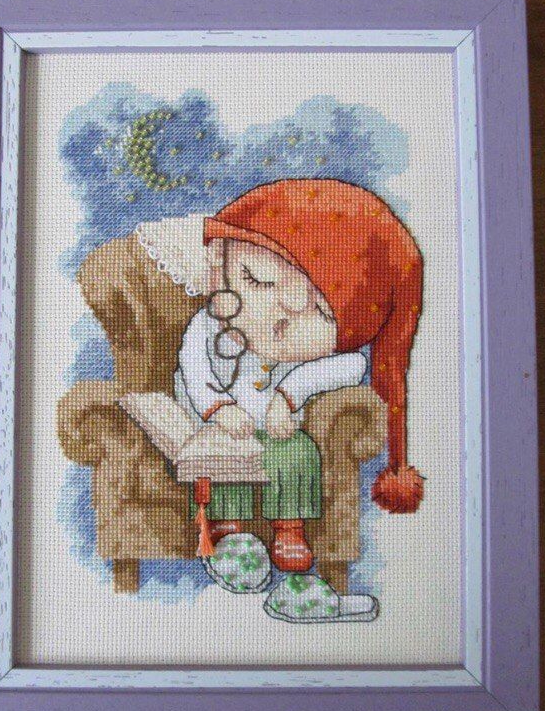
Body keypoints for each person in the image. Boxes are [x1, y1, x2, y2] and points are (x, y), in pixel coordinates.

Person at [174, 178, 424, 622]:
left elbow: (352, 366)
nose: (284, 308)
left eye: (319, 311)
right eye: (256, 279)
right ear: (221, 261)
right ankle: (228, 529)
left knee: (297, 452)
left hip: (276, 425)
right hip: (217, 418)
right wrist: (218, 408)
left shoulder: (328, 358)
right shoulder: (211, 323)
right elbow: (194, 366)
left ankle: (288, 529)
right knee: (224, 456)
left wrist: (288, 395)